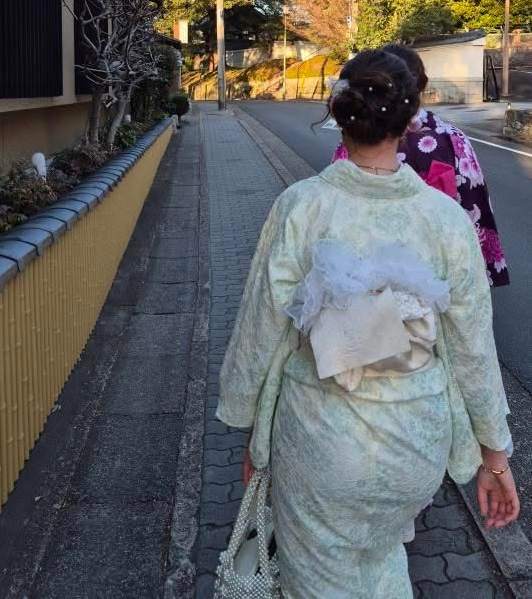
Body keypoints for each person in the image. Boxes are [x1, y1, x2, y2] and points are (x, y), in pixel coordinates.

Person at [217, 48, 518, 599]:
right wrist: (493, 456)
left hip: (321, 436)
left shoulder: (301, 207)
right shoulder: (443, 219)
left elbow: (262, 329)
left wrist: (249, 426)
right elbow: (473, 346)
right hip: (413, 442)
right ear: (409, 119)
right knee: (380, 560)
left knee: (317, 578)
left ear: (339, 112)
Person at [332, 44, 509, 288]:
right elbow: (473, 207)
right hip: (437, 275)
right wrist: (478, 272)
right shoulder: (451, 139)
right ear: (420, 88)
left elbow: (336, 203)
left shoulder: (355, 137)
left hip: (360, 275)